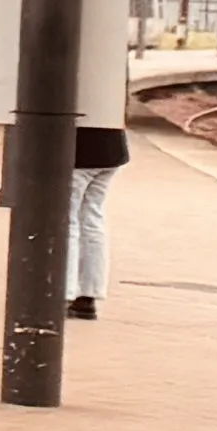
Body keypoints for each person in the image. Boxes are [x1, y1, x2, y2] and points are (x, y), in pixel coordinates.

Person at [68, 111, 125, 322]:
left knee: (67, 221)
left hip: (78, 152)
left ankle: (64, 291)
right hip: (111, 149)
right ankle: (88, 295)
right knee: (92, 219)